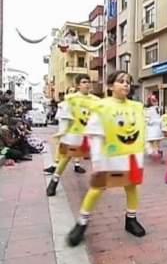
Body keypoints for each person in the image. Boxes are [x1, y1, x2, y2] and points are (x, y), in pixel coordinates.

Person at [66, 70, 146, 246]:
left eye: (128, 81)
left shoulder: (137, 107)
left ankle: (131, 219)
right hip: (107, 156)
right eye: (121, 81)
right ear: (110, 86)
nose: (126, 84)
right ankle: (82, 222)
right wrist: (97, 161)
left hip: (130, 156)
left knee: (131, 187)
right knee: (97, 188)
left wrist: (142, 153)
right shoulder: (102, 107)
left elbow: (140, 133)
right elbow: (95, 136)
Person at [45, 75, 100, 197]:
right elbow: (65, 117)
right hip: (74, 133)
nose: (87, 84)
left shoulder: (96, 100)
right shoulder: (70, 99)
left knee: (96, 157)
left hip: (89, 134)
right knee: (66, 157)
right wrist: (61, 132)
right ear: (78, 85)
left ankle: (98, 181)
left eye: (88, 82)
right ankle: (54, 181)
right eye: (84, 82)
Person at [44, 86, 87, 174]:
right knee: (61, 147)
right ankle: (55, 165)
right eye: (70, 91)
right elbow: (58, 117)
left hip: (77, 129)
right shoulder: (63, 104)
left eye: (73, 91)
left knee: (77, 147)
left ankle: (77, 165)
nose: (72, 93)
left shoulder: (80, 104)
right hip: (65, 130)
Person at [145, 94, 164, 162]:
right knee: (154, 143)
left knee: (156, 143)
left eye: (156, 99)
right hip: (153, 129)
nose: (156, 101)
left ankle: (157, 154)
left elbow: (148, 120)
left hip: (155, 129)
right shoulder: (150, 110)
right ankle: (156, 154)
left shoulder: (157, 109)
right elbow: (147, 120)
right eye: (153, 100)